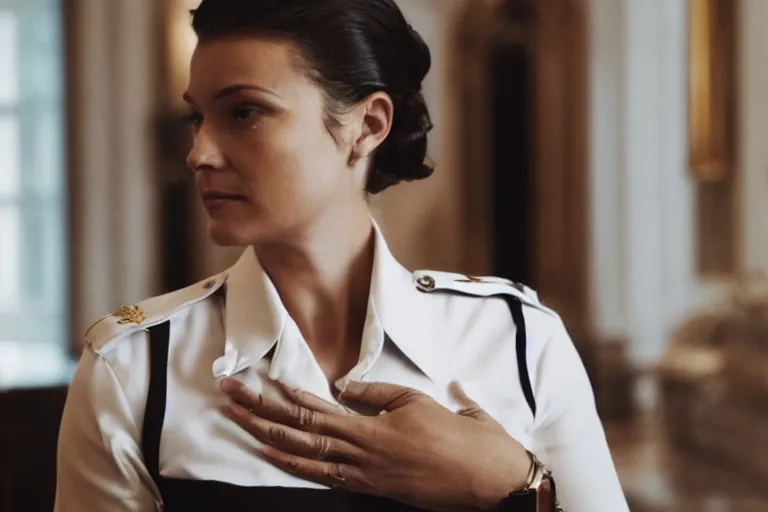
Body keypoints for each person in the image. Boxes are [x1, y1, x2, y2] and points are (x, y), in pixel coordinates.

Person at [55, 0, 630, 511]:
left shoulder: (518, 342)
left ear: (368, 125)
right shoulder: (133, 368)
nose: (199, 153)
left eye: (244, 113)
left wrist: (518, 488)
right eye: (197, 118)